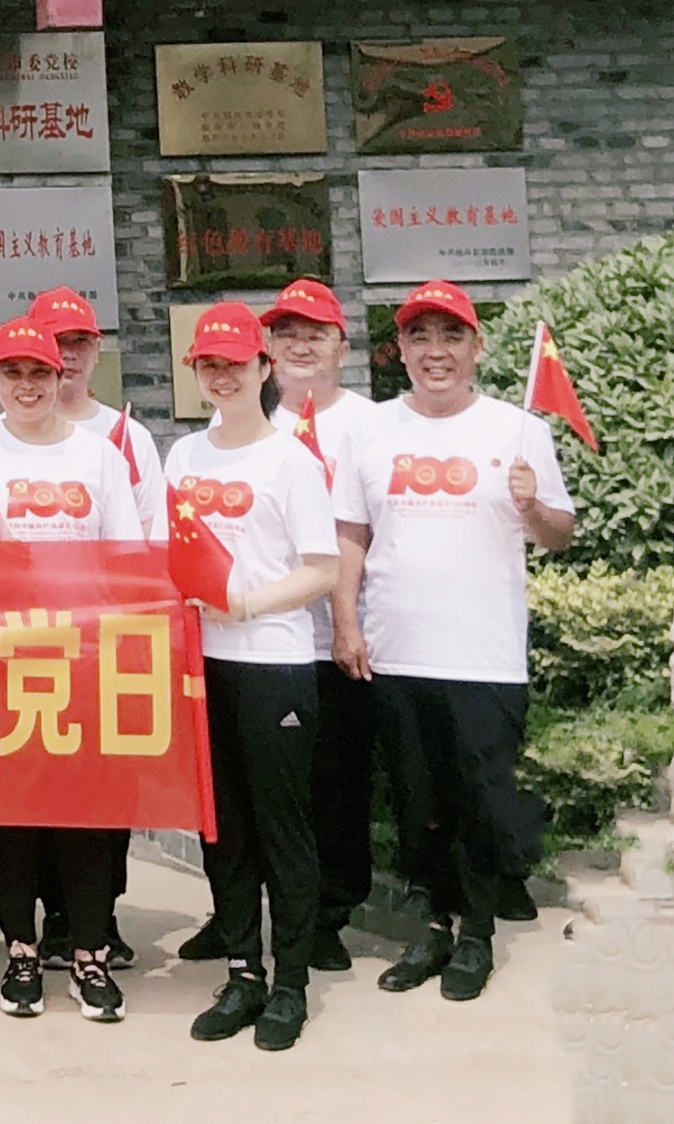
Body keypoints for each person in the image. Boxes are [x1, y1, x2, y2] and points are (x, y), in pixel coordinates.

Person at [333, 279, 573, 1006]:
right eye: (419, 337)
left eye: (451, 336)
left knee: (479, 798)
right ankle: (434, 928)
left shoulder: (518, 430)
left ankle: (477, 936)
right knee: (418, 804)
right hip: (397, 649)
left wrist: (532, 505)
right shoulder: (370, 430)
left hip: (482, 653)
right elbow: (351, 535)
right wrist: (346, 621)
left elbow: (560, 535)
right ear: (400, 350)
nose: (435, 351)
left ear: (476, 347)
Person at [163, 302, 345, 1055]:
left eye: (235, 363)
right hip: (201, 666)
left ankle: (291, 982)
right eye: (209, 365)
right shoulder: (183, 457)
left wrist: (244, 605)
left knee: (282, 829)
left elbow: (323, 569)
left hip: (273, 663)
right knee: (224, 827)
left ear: (263, 367)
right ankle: (243, 972)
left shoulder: (290, 461)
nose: (222, 376)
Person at [0, 315, 149, 1024]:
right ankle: (21, 951)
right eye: (12, 373)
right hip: (2, 662)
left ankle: (89, 952)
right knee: (9, 815)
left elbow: (127, 557)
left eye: (39, 372)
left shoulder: (99, 456)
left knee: (86, 815)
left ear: (59, 376)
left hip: (84, 662)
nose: (27, 386)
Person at [29, 283, 160, 966]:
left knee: (108, 790)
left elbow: (148, 542)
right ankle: (53, 918)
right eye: (55, 343)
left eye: (77, 342)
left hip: (102, 645)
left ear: (96, 349)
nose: (67, 355)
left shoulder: (126, 436)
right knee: (40, 786)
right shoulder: (4, 434)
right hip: (26, 646)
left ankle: (100, 916)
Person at [261, 275, 378, 967]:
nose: (301, 346)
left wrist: (346, 622)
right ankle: (240, 913)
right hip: (263, 643)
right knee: (266, 791)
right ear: (268, 349)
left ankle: (329, 917)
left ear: (342, 347)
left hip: (343, 640)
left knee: (336, 786)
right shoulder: (245, 422)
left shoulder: (372, 425)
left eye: (316, 334)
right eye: (287, 334)